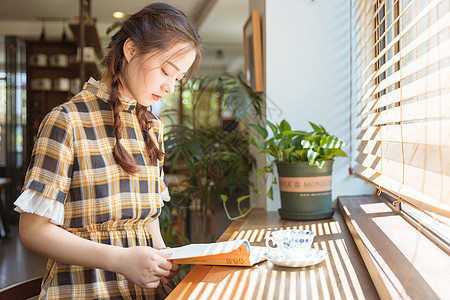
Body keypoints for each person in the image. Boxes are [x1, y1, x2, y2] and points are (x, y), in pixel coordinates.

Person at [14, 2, 202, 299]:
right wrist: (121, 260)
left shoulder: (152, 126)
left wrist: (162, 253)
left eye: (178, 79)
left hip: (144, 291)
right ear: (131, 50)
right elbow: (32, 231)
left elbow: (146, 215)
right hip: (84, 290)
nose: (170, 87)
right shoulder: (67, 120)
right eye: (167, 71)